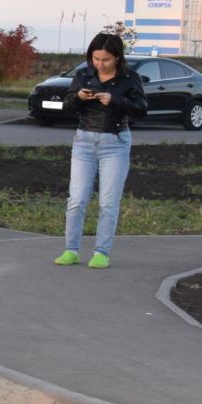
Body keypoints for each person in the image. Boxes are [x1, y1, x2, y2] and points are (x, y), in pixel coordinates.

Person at [56, 32, 147, 269]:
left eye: (105, 59)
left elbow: (141, 109)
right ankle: (71, 250)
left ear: (117, 57)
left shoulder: (130, 78)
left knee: (108, 202)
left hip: (115, 143)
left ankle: (101, 252)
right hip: (84, 141)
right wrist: (78, 96)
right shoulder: (83, 75)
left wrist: (115, 99)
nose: (99, 64)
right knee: (76, 200)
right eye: (95, 58)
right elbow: (66, 108)